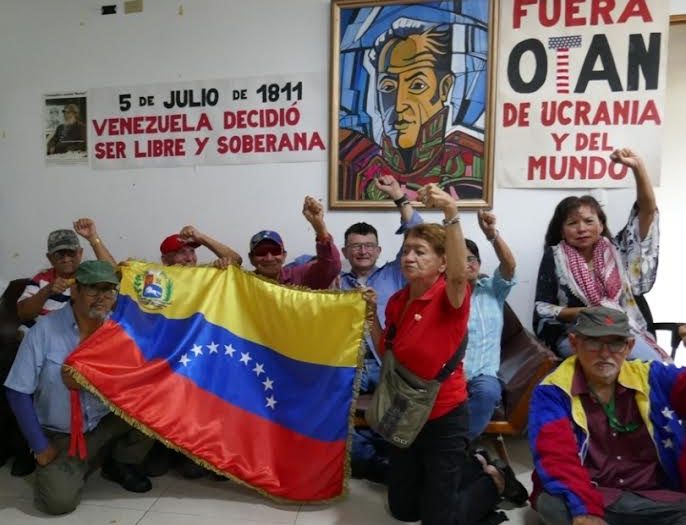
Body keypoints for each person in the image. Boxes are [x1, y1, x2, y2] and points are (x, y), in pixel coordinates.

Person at [367, 184, 513, 524]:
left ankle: (493, 482)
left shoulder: (450, 297)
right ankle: (467, 468)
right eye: (406, 251)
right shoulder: (398, 301)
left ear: (442, 262)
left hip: (444, 416)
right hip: (404, 411)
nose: (409, 258)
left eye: (420, 252)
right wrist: (370, 317)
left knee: (438, 520)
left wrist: (451, 213)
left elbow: (460, 276)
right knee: (403, 511)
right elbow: (387, 354)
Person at [4, 261, 154, 515]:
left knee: (158, 403)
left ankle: (120, 462)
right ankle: (82, 462)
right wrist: (40, 446)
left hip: (104, 422)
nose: (102, 297)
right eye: (93, 289)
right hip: (61, 434)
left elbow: (134, 378)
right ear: (75, 291)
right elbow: (17, 391)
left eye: (108, 290)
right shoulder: (44, 331)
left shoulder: (118, 330)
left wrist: (92, 381)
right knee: (58, 503)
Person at [529, 306, 686, 525]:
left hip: (656, 494)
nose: (605, 354)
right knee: (554, 504)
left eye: (615, 343)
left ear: (629, 346)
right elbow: (555, 457)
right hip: (596, 495)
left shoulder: (653, 376)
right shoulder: (553, 391)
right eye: (594, 343)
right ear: (574, 343)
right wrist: (585, 509)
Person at [534, 148, 667, 362]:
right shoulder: (555, 257)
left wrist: (638, 168)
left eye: (589, 221)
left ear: (601, 225)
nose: (581, 229)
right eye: (572, 223)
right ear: (562, 231)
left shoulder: (618, 250)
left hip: (621, 330)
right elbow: (542, 308)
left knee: (653, 367)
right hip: (578, 333)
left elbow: (647, 211)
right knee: (605, 362)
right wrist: (586, 313)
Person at [339, 22, 484, 202]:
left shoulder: (469, 162)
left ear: (444, 88)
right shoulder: (358, 163)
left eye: (417, 85)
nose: (399, 105)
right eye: (388, 87)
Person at [339, 175, 422, 481]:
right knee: (329, 404)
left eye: (369, 246)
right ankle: (374, 460)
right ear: (345, 252)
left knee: (401, 408)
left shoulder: (397, 274)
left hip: (389, 363)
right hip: (351, 364)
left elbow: (417, 231)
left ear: (378, 250)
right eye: (355, 246)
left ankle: (381, 456)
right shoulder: (335, 282)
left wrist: (399, 197)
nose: (362, 251)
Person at [463, 210, 516, 441]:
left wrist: (492, 235)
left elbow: (509, 266)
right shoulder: (441, 295)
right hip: (449, 373)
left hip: (483, 374)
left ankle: (457, 447)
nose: (468, 264)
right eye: (460, 259)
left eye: (472, 259)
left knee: (486, 393)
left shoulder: (493, 289)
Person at [17, 219, 116, 329]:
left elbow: (113, 274)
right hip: (38, 335)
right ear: (50, 258)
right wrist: (47, 291)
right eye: (59, 255)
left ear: (80, 253)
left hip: (76, 336)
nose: (66, 259)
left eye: (71, 253)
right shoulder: (41, 279)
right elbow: (23, 314)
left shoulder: (91, 277)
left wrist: (93, 237)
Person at [248, 196, 340, 288]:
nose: (269, 258)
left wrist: (319, 227)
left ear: (284, 256)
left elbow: (331, 269)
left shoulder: (299, 276)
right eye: (261, 252)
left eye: (275, 251)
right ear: (251, 258)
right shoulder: (244, 282)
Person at [160, 225, 242, 267]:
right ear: (165, 260)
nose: (189, 258)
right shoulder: (158, 280)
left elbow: (237, 261)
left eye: (192, 251)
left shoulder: (202, 273)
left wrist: (200, 237)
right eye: (181, 252)